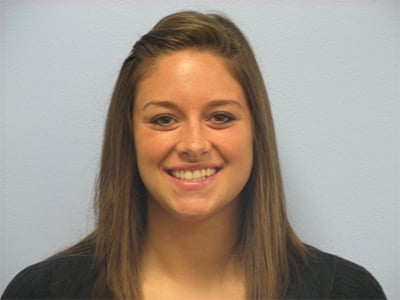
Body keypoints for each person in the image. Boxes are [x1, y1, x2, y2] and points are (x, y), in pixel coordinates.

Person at [1, 11, 386, 300]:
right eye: (164, 119)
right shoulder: (42, 292)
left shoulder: (345, 292)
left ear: (256, 131)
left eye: (220, 117)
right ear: (128, 135)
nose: (194, 144)